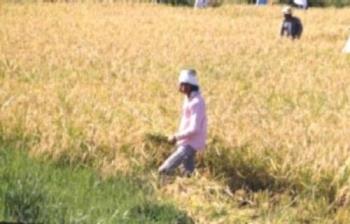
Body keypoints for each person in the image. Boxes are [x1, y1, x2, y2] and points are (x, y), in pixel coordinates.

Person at [158, 69, 207, 177]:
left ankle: (162, 188)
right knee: (187, 172)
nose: (179, 87)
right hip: (186, 141)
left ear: (188, 87)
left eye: (182, 85)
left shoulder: (197, 102)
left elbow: (194, 128)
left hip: (191, 143)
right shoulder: (188, 99)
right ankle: (190, 190)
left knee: (164, 169)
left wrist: (176, 136)